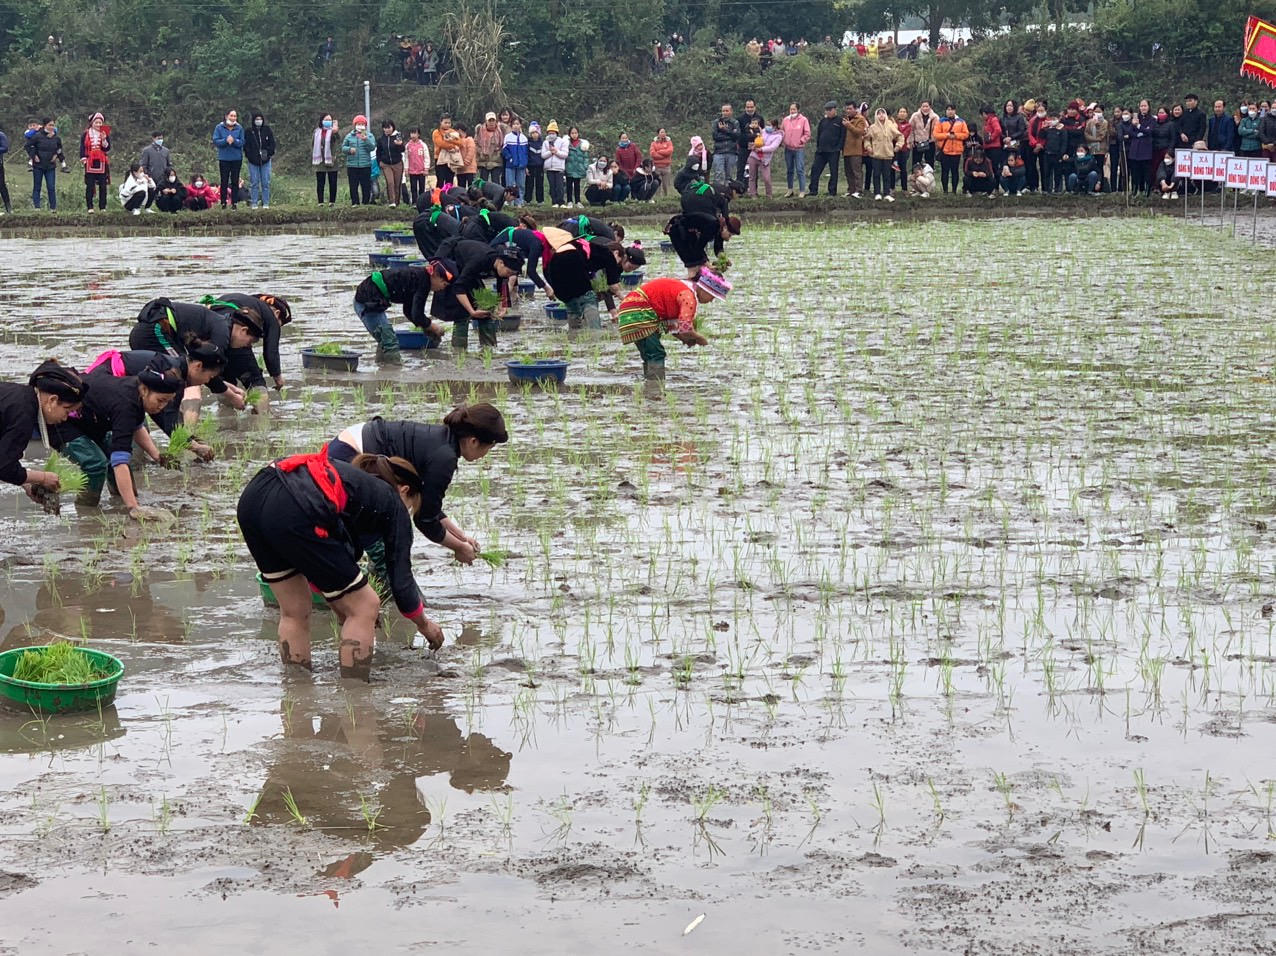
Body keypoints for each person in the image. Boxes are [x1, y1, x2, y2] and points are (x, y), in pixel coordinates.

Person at [236, 450, 444, 680]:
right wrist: (424, 625)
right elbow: (401, 579)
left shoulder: (352, 484)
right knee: (365, 605)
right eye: (411, 506)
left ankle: (297, 692)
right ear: (405, 490)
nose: (407, 512)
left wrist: (340, 604)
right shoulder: (390, 501)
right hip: (293, 504)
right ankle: (354, 697)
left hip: (254, 499)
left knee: (294, 610)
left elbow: (322, 562)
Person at [325, 405, 508, 572]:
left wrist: (461, 537)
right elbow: (425, 521)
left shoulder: (442, 442)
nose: (485, 456)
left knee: (377, 538)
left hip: (348, 446)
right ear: (474, 441)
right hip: (350, 458)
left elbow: (428, 507)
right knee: (384, 540)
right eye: (489, 449)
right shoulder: (445, 458)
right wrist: (459, 548)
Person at [49, 360, 183, 516]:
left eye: (168, 402)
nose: (163, 407)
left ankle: (119, 502)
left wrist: (158, 456)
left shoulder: (135, 390)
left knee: (112, 451)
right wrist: (134, 508)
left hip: (90, 420)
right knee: (96, 463)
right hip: (61, 421)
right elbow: (120, 459)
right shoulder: (126, 404)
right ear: (145, 390)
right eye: (160, 400)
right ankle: (86, 511)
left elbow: (137, 427)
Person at [83, 345, 225, 460]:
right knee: (130, 441)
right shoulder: (173, 377)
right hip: (106, 385)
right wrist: (196, 447)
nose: (207, 382)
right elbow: (169, 423)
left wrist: (191, 441)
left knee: (136, 429)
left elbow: (163, 415)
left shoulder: (174, 365)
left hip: (104, 377)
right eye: (210, 377)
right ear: (198, 366)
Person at [0, 360, 87, 512]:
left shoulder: (20, 398)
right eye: (67, 411)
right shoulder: (24, 413)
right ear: (52, 400)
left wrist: (26, 484)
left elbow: (4, 458)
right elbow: (4, 467)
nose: (66, 418)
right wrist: (43, 477)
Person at [617, 270, 728, 384]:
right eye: (712, 296)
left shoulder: (682, 287)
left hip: (630, 309)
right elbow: (685, 328)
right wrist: (700, 339)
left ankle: (649, 385)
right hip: (640, 311)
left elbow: (675, 327)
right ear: (705, 289)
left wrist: (685, 339)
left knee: (649, 353)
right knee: (656, 354)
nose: (711, 301)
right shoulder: (688, 296)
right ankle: (655, 387)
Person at [431, 238, 524, 348]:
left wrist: (503, 306)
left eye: (512, 274)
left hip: (470, 272)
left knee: (485, 307)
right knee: (461, 313)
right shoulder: (479, 260)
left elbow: (502, 282)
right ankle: (459, 351)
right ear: (500, 262)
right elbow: (459, 286)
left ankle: (489, 348)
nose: (509, 275)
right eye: (508, 272)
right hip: (454, 265)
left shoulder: (499, 264)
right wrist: (471, 311)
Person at [353, 260, 453, 359]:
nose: (443, 288)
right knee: (389, 342)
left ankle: (383, 370)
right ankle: (394, 370)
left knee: (386, 339)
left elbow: (408, 311)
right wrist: (433, 326)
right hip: (367, 299)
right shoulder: (423, 282)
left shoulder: (418, 277)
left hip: (370, 295)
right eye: (443, 284)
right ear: (434, 275)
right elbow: (417, 315)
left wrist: (425, 327)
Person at [543, 234, 644, 331]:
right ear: (617, 253)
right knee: (589, 298)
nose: (616, 265)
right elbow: (613, 287)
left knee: (572, 304)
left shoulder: (594, 249)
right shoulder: (609, 255)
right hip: (571, 258)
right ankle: (595, 333)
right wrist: (627, 302)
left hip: (554, 266)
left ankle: (574, 336)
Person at [202, 292, 291, 393]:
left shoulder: (243, 300)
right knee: (255, 382)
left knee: (227, 385)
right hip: (235, 338)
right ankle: (262, 409)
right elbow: (271, 351)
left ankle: (226, 408)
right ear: (277, 313)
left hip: (212, 339)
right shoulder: (271, 317)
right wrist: (278, 378)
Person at [26, 117, 65, 211]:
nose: (52, 127)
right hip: (38, 165)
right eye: (50, 125)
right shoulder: (37, 136)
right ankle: (37, 207)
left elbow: (59, 148)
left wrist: (56, 155)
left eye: (53, 125)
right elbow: (28, 146)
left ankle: (53, 208)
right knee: (37, 186)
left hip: (50, 166)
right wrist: (33, 155)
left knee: (51, 187)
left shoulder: (56, 138)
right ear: (45, 125)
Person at [864, 108, 902, 201]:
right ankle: (877, 192)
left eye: (883, 113)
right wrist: (868, 147)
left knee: (887, 175)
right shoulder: (872, 127)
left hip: (888, 154)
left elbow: (900, 136)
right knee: (876, 174)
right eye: (879, 114)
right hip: (876, 154)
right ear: (876, 116)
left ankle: (887, 193)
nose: (881, 115)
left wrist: (898, 146)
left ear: (885, 115)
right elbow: (867, 139)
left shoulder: (890, 126)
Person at [808, 102, 843, 196]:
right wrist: (818, 146)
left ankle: (832, 192)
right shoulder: (823, 121)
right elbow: (819, 134)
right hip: (821, 151)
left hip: (833, 151)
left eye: (830, 110)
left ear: (835, 110)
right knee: (815, 170)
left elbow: (842, 136)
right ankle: (813, 190)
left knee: (833, 172)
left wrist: (838, 147)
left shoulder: (840, 121)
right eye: (826, 110)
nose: (828, 112)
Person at [211, 109, 244, 209]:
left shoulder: (239, 128)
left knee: (235, 181)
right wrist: (225, 140)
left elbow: (242, 142)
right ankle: (223, 203)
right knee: (224, 180)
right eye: (231, 116)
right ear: (226, 116)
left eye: (235, 116)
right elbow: (216, 141)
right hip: (224, 158)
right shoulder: (219, 127)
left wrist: (234, 141)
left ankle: (234, 203)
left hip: (236, 158)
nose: (233, 118)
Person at [79, 112, 111, 212]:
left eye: (100, 122)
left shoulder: (105, 133)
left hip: (101, 161)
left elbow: (107, 148)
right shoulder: (86, 133)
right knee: (90, 185)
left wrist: (104, 140)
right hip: (90, 161)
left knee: (103, 185)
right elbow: (82, 147)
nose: (98, 125)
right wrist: (83, 158)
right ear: (92, 123)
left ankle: (102, 207)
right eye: (96, 122)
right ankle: (90, 207)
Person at [933, 105, 968, 194]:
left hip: (956, 151)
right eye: (948, 109)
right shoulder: (941, 121)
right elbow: (936, 135)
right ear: (946, 111)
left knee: (955, 172)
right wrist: (947, 135)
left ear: (955, 111)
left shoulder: (961, 121)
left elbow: (965, 134)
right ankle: (945, 191)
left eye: (952, 109)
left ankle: (954, 190)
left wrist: (956, 135)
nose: (950, 111)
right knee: (945, 171)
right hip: (945, 151)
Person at [245, 112, 276, 209]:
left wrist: (268, 154)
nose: (259, 121)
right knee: (254, 182)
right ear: (253, 120)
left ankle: (266, 203)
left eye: (260, 119)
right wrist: (251, 156)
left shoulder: (267, 130)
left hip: (265, 161)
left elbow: (272, 143)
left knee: (265, 182)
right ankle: (254, 203)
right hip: (253, 161)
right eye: (256, 119)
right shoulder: (249, 131)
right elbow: (246, 146)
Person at [343, 114, 375, 205]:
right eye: (358, 124)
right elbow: (343, 148)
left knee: (366, 186)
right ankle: (355, 203)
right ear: (355, 125)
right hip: (352, 165)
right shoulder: (349, 136)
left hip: (365, 165)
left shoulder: (369, 136)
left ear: (365, 125)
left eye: (362, 124)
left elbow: (372, 147)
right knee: (353, 186)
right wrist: (349, 150)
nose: (360, 126)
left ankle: (365, 203)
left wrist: (366, 140)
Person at [780, 103, 811, 197]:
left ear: (798, 110)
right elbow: (781, 131)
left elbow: (807, 134)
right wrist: (781, 142)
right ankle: (790, 190)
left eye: (794, 109)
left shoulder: (803, 120)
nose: (792, 111)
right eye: (791, 109)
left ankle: (802, 191)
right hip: (788, 149)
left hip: (798, 149)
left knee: (800, 169)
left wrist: (801, 141)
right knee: (789, 170)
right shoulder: (785, 120)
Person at [1128, 101, 1156, 196]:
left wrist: (1139, 126)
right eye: (1141, 106)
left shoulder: (1152, 119)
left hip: (1146, 148)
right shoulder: (1135, 118)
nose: (1143, 108)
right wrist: (1138, 134)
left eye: (1145, 106)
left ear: (1148, 107)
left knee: (1146, 171)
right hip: (1135, 148)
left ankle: (1147, 190)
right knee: (1135, 171)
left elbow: (1149, 131)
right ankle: (1135, 190)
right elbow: (1130, 132)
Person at [840, 102, 868, 198]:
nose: (848, 111)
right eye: (847, 109)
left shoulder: (860, 119)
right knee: (848, 172)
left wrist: (849, 125)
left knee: (857, 171)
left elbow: (859, 132)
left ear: (855, 109)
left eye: (850, 109)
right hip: (846, 149)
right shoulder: (845, 119)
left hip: (856, 149)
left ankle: (859, 190)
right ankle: (851, 190)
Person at [376, 119, 406, 207]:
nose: (387, 129)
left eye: (389, 127)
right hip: (386, 164)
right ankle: (391, 202)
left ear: (393, 127)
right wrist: (379, 162)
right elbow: (378, 152)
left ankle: (397, 202)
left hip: (397, 163)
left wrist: (399, 144)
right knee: (390, 182)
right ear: (383, 129)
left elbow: (402, 150)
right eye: (385, 128)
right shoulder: (381, 139)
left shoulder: (397, 136)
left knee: (397, 184)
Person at [501, 118, 529, 206]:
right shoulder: (508, 137)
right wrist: (510, 158)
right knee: (510, 184)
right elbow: (504, 150)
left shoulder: (524, 138)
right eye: (514, 124)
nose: (516, 126)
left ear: (520, 125)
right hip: (510, 165)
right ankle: (510, 202)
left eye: (517, 124)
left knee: (520, 185)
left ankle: (519, 201)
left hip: (521, 165)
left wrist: (525, 164)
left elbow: (526, 153)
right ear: (511, 126)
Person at [313, 113, 339, 205]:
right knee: (320, 182)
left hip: (331, 160)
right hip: (320, 160)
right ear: (321, 121)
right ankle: (320, 202)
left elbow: (337, 139)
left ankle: (332, 201)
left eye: (329, 120)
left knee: (333, 182)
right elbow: (313, 144)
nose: (328, 122)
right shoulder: (316, 132)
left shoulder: (333, 132)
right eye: (326, 120)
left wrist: (335, 127)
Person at [710, 103, 739, 184]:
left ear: (731, 111)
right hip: (719, 151)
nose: (725, 113)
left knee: (729, 175)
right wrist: (730, 134)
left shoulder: (735, 122)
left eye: (727, 111)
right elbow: (715, 136)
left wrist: (724, 130)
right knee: (718, 173)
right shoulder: (716, 122)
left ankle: (729, 193)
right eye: (723, 111)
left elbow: (736, 136)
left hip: (732, 151)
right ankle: (717, 193)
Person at [736, 98, 763, 181]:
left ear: (755, 107)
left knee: (754, 169)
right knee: (741, 168)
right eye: (748, 107)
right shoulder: (740, 119)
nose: (749, 109)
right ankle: (740, 189)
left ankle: (753, 189)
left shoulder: (760, 118)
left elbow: (762, 132)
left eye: (751, 107)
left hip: (756, 147)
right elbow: (739, 134)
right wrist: (751, 136)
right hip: (743, 147)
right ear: (745, 107)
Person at [542, 121, 568, 207]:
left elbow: (565, 154)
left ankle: (561, 202)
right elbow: (543, 155)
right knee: (552, 186)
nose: (551, 135)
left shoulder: (562, 142)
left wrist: (556, 151)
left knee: (559, 186)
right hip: (549, 168)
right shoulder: (545, 142)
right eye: (549, 133)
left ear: (556, 133)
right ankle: (554, 202)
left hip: (559, 168)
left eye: (553, 133)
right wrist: (550, 152)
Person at [404, 129, 431, 206]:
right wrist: (406, 168)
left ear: (418, 134)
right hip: (412, 170)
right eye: (411, 133)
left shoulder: (423, 145)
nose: (413, 135)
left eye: (414, 133)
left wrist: (426, 168)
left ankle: (422, 202)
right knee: (413, 187)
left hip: (421, 170)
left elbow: (426, 157)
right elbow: (406, 158)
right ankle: (414, 202)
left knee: (422, 187)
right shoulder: (408, 146)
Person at [475, 112, 504, 182]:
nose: (491, 122)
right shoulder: (480, 130)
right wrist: (481, 153)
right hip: (483, 161)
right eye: (489, 120)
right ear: (486, 121)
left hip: (496, 161)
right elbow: (476, 143)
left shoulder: (501, 130)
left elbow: (503, 144)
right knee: (482, 182)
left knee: (496, 182)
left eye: (493, 120)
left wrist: (499, 152)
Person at [564, 127, 589, 207]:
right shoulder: (566, 143)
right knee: (569, 185)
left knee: (577, 185)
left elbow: (586, 157)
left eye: (575, 133)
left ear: (578, 133)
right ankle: (569, 201)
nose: (574, 135)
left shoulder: (583, 144)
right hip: (569, 167)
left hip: (578, 167)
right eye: (572, 133)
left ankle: (578, 201)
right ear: (569, 134)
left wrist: (585, 166)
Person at [909, 101, 937, 170]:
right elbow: (911, 129)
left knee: (930, 163)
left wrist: (935, 140)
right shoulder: (915, 116)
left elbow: (937, 130)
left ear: (930, 107)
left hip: (930, 142)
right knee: (916, 163)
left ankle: (929, 178)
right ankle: (916, 179)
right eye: (923, 106)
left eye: (927, 106)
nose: (925, 108)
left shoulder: (935, 117)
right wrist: (911, 140)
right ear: (920, 107)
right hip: (917, 142)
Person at [614, 132, 641, 200]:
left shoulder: (633, 146)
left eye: (626, 138)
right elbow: (618, 162)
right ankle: (625, 197)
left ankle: (634, 197)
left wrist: (636, 167)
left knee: (635, 183)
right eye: (623, 138)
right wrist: (624, 171)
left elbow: (638, 157)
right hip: (624, 171)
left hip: (634, 169)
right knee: (626, 184)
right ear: (620, 139)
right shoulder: (618, 150)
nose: (625, 139)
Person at [649, 128, 674, 197]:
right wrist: (664, 155)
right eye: (661, 132)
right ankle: (658, 198)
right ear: (658, 134)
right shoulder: (653, 143)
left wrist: (659, 152)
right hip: (657, 167)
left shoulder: (669, 142)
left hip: (666, 167)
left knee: (666, 185)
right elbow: (652, 154)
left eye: (664, 132)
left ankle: (666, 197)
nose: (663, 133)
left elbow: (669, 151)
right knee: (657, 184)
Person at [525, 122, 545, 204]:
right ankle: (527, 199)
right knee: (529, 183)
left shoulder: (542, 143)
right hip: (530, 166)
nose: (534, 134)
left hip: (540, 166)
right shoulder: (527, 143)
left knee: (539, 183)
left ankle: (540, 200)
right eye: (532, 133)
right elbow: (525, 154)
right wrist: (525, 166)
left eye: (536, 132)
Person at [456, 123, 478, 188]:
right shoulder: (456, 141)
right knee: (461, 187)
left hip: (470, 169)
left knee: (471, 187)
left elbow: (471, 152)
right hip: (460, 170)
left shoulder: (469, 140)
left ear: (459, 130)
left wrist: (465, 163)